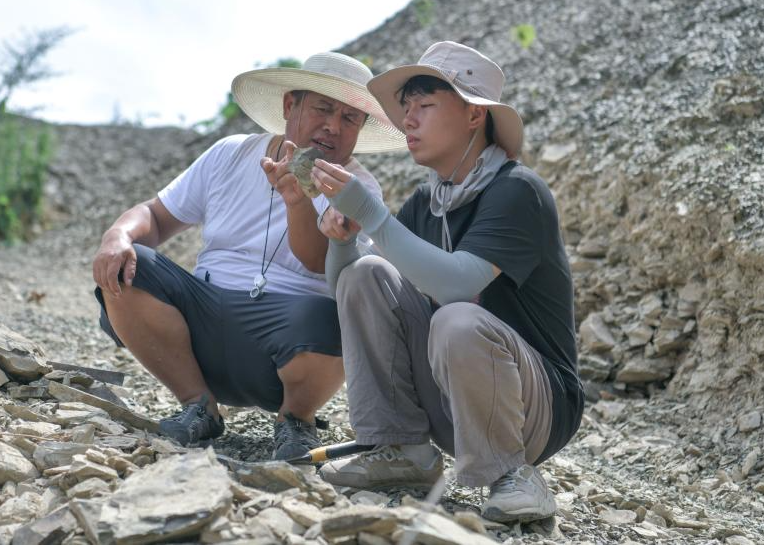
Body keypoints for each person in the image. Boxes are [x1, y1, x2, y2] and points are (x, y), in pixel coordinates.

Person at [309, 41, 583, 523]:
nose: (408, 120)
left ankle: (515, 475)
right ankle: (401, 449)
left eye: (425, 106)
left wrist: (372, 214)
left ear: (475, 116)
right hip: (455, 401)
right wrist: (342, 242)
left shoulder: (517, 190)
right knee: (367, 272)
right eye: (406, 108)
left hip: (537, 409)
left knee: (456, 318)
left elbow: (460, 286)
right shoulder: (428, 201)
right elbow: (346, 289)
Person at [92, 52, 405, 460]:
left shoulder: (357, 188)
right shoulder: (232, 153)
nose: (333, 126)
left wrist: (297, 200)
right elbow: (154, 215)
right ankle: (197, 404)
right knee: (135, 266)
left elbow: (316, 262)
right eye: (323, 109)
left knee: (338, 320)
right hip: (201, 324)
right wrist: (118, 234)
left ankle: (296, 420)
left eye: (350, 119)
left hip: (288, 341)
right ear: (290, 105)